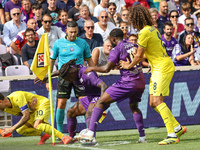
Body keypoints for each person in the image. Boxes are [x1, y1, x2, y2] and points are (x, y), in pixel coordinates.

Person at [118, 5, 187, 145]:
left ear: (137, 19)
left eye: (133, 20)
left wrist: (128, 65)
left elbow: (138, 57)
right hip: (159, 66)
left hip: (161, 67)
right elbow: (149, 50)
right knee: (152, 103)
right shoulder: (152, 29)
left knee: (157, 102)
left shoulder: (144, 32)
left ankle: (172, 134)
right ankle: (178, 127)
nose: (132, 23)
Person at [77, 28, 148, 144]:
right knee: (134, 107)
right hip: (140, 81)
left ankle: (90, 133)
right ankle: (142, 137)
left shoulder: (116, 49)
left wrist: (92, 68)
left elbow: (106, 69)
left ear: (114, 38)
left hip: (127, 82)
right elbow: (142, 55)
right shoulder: (133, 45)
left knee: (100, 102)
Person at [35, 59, 108, 145]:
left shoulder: (87, 74)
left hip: (100, 96)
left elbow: (104, 85)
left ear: (71, 73)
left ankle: (91, 138)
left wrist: (100, 102)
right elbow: (61, 71)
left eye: (67, 78)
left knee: (89, 112)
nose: (68, 81)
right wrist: (48, 75)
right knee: (70, 112)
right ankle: (71, 138)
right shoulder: (72, 70)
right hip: (89, 97)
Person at [49, 21, 94, 138]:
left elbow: (89, 60)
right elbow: (52, 61)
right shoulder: (58, 43)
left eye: (75, 32)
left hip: (80, 77)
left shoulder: (83, 43)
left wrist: (94, 74)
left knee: (85, 104)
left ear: (77, 31)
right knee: (61, 103)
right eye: (70, 32)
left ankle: (89, 131)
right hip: (64, 77)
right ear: (66, 31)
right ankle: (60, 134)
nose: (73, 34)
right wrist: (48, 78)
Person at [0, 91, 72, 145]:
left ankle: (64, 137)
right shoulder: (6, 109)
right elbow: (24, 115)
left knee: (37, 125)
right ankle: (44, 135)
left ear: (0, 102)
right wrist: (31, 109)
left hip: (42, 104)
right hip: (32, 112)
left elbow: (26, 116)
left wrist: (12, 128)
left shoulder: (17, 96)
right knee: (20, 130)